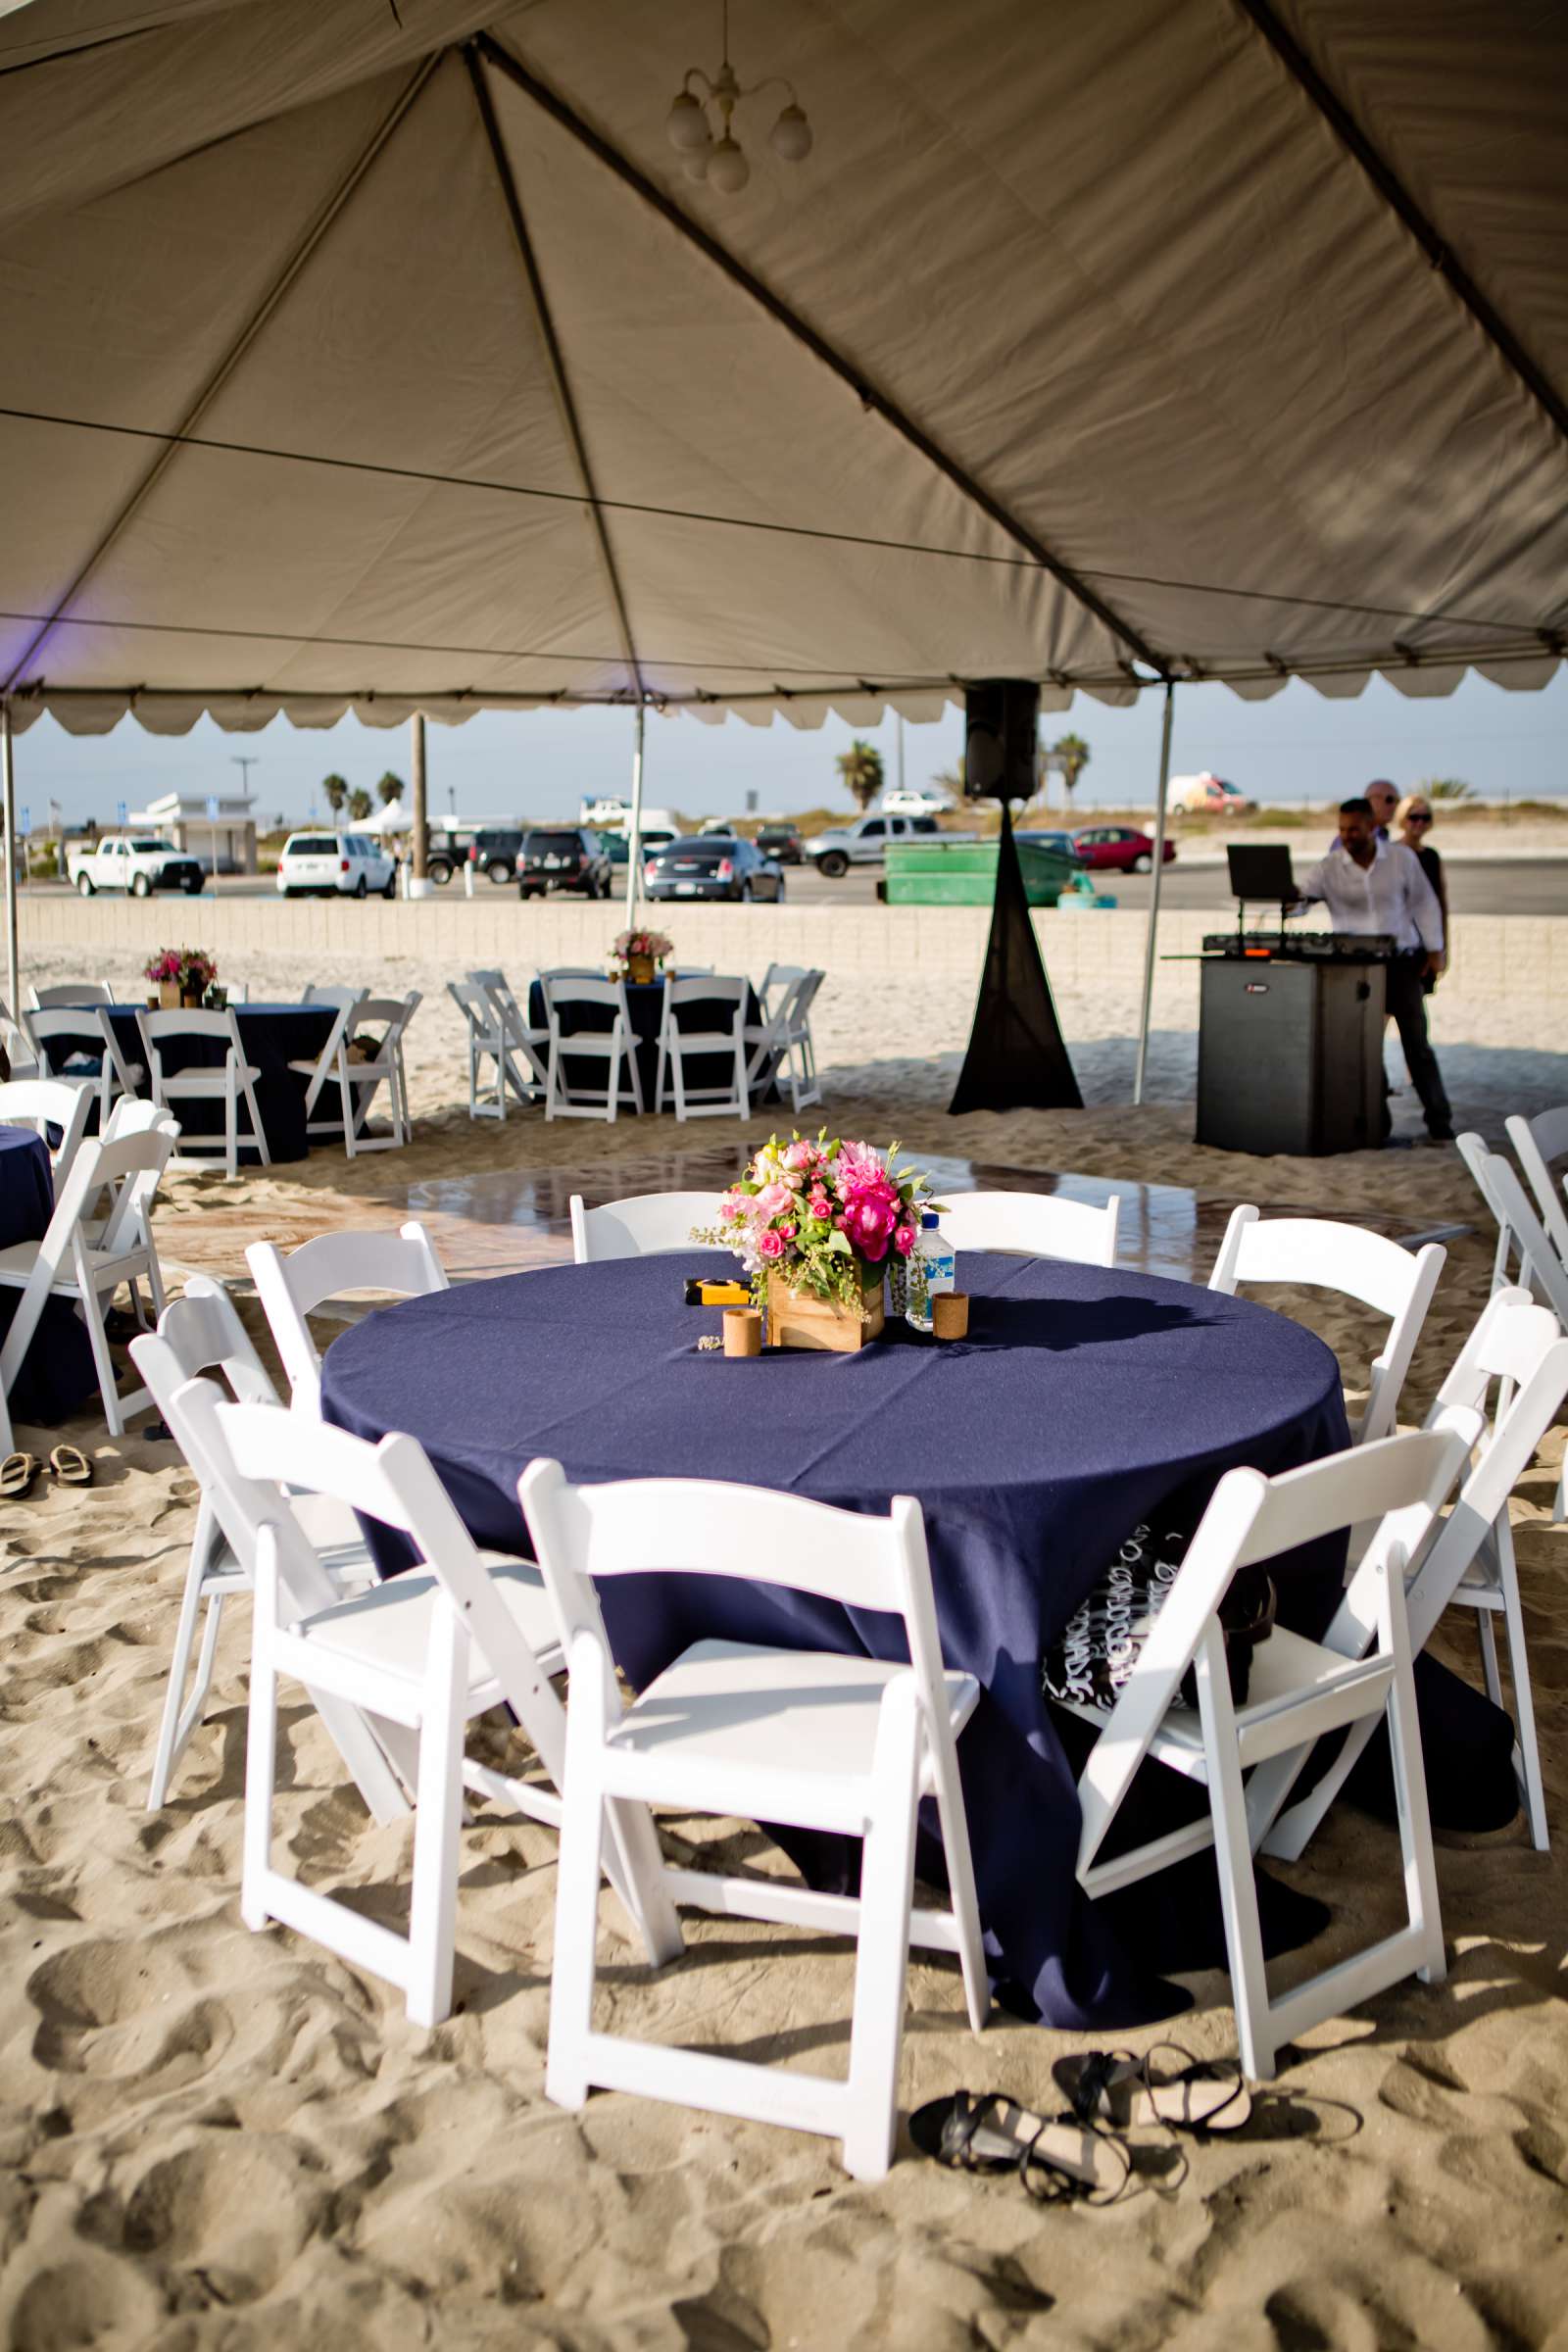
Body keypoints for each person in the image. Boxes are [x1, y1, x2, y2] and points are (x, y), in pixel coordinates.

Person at [1298, 797, 1453, 1143]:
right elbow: (1300, 901)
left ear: (1372, 827)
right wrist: (1284, 896)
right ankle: (1375, 1124)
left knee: (1417, 1045)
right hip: (1353, 969)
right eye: (1341, 829)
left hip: (1401, 963)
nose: (1347, 835)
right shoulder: (1329, 867)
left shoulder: (1400, 860)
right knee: (1366, 1047)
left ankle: (1440, 1123)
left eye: (1353, 829)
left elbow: (1426, 904)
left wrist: (1435, 951)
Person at [1396, 791, 1448, 988]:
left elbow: (1440, 902)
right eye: (1413, 817)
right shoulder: (1393, 853)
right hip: (1401, 945)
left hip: (1427, 942)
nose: (1419, 823)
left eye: (1425, 817)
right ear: (1403, 819)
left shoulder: (1432, 857)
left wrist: (1440, 947)